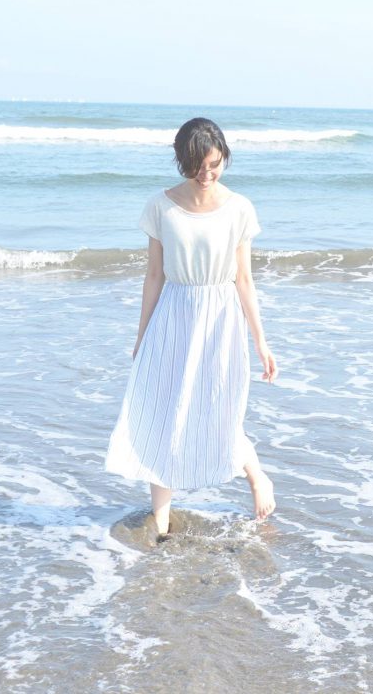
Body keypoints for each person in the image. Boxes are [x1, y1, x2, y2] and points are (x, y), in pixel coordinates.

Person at [105, 117, 278, 541]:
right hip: (173, 315)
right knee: (163, 411)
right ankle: (162, 520)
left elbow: (244, 279)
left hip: (221, 318)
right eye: (197, 166)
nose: (206, 174)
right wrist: (142, 335)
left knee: (220, 405)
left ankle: (256, 476)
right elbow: (153, 276)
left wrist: (261, 341)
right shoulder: (161, 206)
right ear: (182, 161)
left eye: (214, 164)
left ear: (224, 158)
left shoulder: (239, 208)